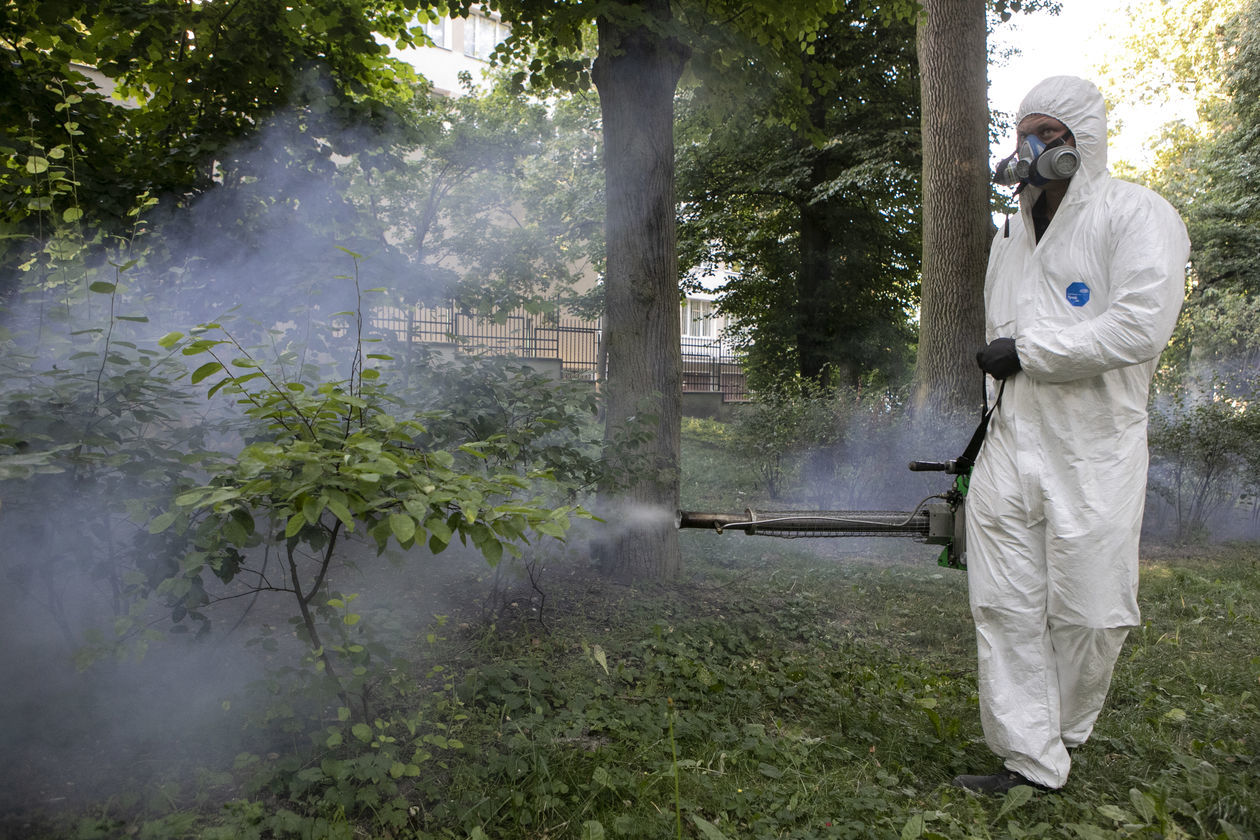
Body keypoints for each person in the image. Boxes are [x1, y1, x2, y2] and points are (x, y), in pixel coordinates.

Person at [955, 76, 1190, 794]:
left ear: (1081, 139)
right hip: (1012, 441)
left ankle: (1060, 731)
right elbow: (1003, 328)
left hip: (1095, 447)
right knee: (1004, 603)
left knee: (1092, 610)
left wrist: (1030, 353)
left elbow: (1139, 327)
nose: (1030, 147)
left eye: (1047, 132)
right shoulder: (1011, 231)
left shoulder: (1139, 215)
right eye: (1024, 130)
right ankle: (1028, 758)